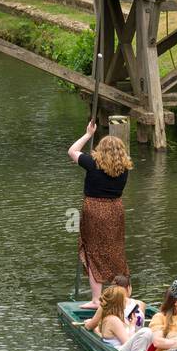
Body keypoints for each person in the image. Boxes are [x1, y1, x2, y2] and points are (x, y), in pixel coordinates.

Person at [67, 120, 133, 308]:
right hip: (115, 209)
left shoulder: (92, 163)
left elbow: (72, 151)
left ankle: (97, 300)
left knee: (93, 251)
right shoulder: (124, 168)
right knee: (116, 250)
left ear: (101, 150)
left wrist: (88, 134)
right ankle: (123, 296)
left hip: (94, 209)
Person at [83, 284, 133, 349]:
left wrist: (95, 330)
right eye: (124, 299)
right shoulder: (114, 320)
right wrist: (132, 326)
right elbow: (128, 344)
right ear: (119, 302)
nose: (127, 301)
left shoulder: (112, 317)